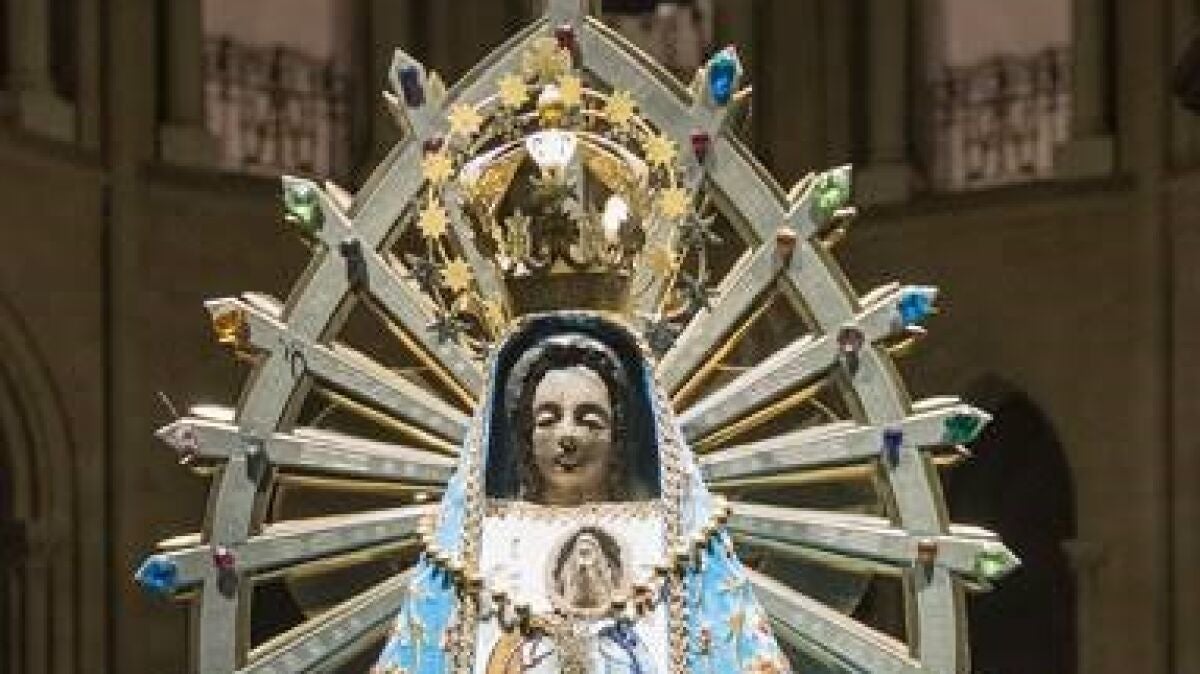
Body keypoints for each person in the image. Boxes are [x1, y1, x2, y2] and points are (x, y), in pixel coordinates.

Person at [373, 314, 791, 674]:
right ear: (524, 435)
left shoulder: (674, 539)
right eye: (548, 419)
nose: (567, 437)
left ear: (618, 436)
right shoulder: (477, 539)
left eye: (589, 420)